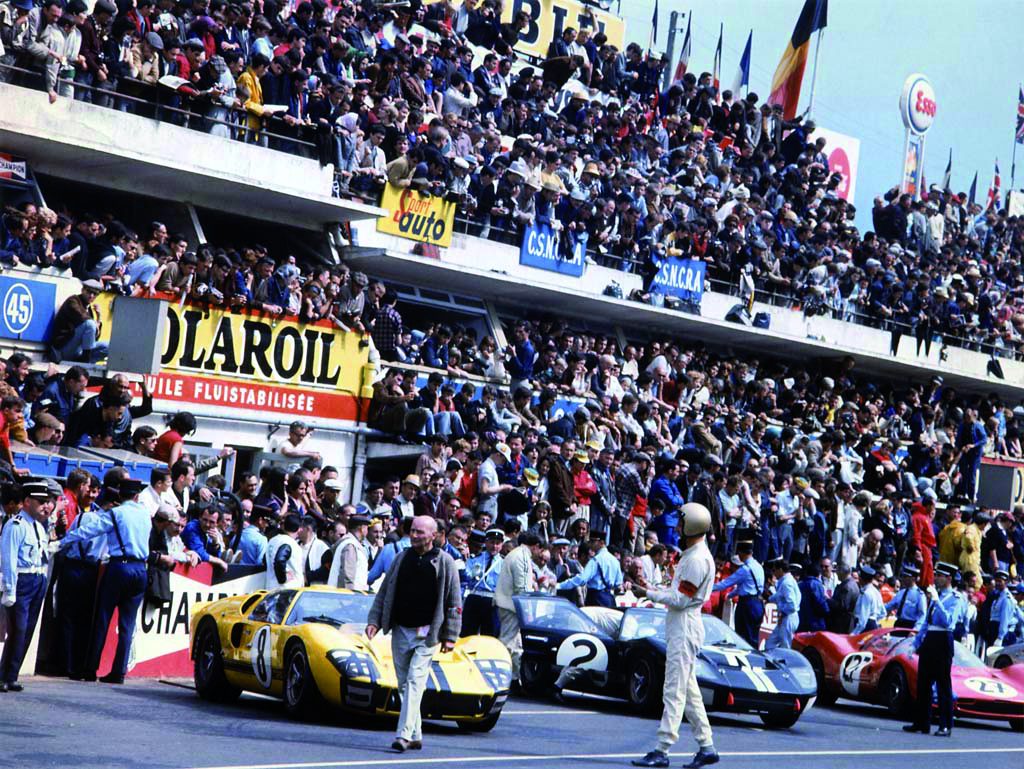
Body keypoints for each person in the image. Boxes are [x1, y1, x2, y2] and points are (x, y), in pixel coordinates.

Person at [631, 503, 718, 769]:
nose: (678, 527)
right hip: (684, 623)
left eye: (682, 523)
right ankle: (706, 745)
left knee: (674, 689)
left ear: (692, 526)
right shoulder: (693, 554)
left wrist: (648, 593)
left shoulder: (695, 559)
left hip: (685, 624)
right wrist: (654, 589)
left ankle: (662, 748)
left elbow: (680, 599)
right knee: (689, 690)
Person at [366, 515, 462, 752]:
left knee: (415, 680)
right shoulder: (401, 558)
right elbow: (385, 592)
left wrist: (450, 635)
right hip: (401, 629)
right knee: (403, 685)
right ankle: (416, 733)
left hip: (428, 633)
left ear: (433, 535)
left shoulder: (445, 562)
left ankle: (403, 735)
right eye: (413, 531)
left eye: (420, 532)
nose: (415, 535)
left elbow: (454, 603)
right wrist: (374, 620)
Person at [58, 477, 150, 683]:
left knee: (102, 619)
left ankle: (90, 668)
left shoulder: (116, 513)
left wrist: (64, 541)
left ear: (120, 495)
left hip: (120, 566)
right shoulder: (145, 514)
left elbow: (89, 530)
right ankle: (119, 672)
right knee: (127, 624)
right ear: (136, 496)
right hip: (140, 568)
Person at [0, 480, 59, 692]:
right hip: (22, 580)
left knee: (28, 630)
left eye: (48, 502)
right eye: (41, 502)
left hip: (37, 579)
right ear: (26, 502)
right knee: (18, 629)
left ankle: (11, 675)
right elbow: (8, 559)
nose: (47, 506)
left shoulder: (39, 526)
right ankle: (2, 675)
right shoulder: (15, 525)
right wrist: (9, 589)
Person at [904, 561, 965, 737]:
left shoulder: (956, 598)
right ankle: (922, 721)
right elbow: (926, 623)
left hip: (943, 639)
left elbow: (948, 622)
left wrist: (937, 602)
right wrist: (916, 643)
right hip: (930, 639)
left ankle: (946, 725)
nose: (936, 578)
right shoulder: (935, 595)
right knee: (923, 682)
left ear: (949, 578)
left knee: (943, 684)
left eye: (939, 575)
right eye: (936, 575)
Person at [494, 532, 542, 684]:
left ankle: (513, 679)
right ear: (536, 547)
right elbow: (521, 589)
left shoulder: (515, 554)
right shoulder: (522, 557)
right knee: (507, 644)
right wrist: (526, 613)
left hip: (507, 604)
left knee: (515, 646)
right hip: (512, 607)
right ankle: (499, 677)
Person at [711, 539, 764, 647]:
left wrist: (707, 588)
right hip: (758, 603)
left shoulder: (745, 569)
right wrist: (730, 595)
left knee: (742, 638)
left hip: (747, 605)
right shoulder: (758, 566)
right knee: (753, 637)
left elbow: (725, 584)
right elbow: (743, 587)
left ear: (741, 553)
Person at [555, 529, 623, 607]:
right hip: (609, 599)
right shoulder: (615, 561)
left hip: (595, 599)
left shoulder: (596, 560)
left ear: (601, 543)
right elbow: (618, 584)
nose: (590, 544)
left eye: (593, 541)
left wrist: (560, 586)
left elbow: (582, 579)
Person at [49, 279, 108, 363]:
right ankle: (85, 362)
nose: (91, 296)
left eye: (95, 294)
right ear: (82, 290)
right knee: (90, 324)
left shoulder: (89, 309)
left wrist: (99, 318)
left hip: (77, 350)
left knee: (109, 346)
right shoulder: (73, 301)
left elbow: (93, 339)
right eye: (89, 291)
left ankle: (81, 362)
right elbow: (82, 317)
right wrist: (93, 323)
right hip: (61, 349)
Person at [461, 527, 504, 637]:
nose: (494, 546)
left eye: (498, 543)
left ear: (502, 545)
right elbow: (468, 578)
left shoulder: (504, 563)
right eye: (492, 542)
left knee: (490, 634)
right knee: (467, 633)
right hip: (475, 597)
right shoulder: (475, 559)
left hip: (492, 600)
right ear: (486, 542)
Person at [764, 559, 801, 650]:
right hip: (786, 617)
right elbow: (779, 595)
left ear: (780, 569)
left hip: (788, 617)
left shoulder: (786, 583)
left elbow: (792, 605)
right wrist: (769, 599)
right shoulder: (788, 581)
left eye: (774, 570)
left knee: (785, 646)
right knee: (770, 644)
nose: (774, 573)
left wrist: (782, 612)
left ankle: (786, 663)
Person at [327, 513, 370, 590]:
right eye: (367, 528)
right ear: (361, 528)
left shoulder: (352, 544)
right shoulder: (350, 545)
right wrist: (349, 597)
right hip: (346, 598)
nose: (367, 531)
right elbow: (348, 577)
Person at [265, 514, 305, 589]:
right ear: (299, 529)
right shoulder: (289, 542)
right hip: (285, 590)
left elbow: (265, 560)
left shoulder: (273, 540)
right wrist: (283, 579)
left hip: (271, 586)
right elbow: (280, 560)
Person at [886, 565, 927, 629]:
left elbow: (922, 614)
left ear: (913, 578)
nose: (903, 579)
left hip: (910, 625)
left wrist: (916, 628)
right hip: (898, 623)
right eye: (903, 576)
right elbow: (889, 606)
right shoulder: (901, 592)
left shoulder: (919, 595)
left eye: (906, 577)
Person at [851, 564, 886, 633]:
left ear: (861, 579)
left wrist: (854, 634)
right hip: (872, 625)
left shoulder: (866, 593)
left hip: (865, 628)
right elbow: (883, 613)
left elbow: (863, 620)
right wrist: (874, 620)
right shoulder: (876, 591)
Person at [990, 569, 1020, 647]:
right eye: (996, 581)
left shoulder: (1006, 599)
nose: (997, 583)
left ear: (1006, 582)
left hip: (1000, 630)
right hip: (994, 628)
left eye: (1000, 581)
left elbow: (1004, 619)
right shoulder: (998, 595)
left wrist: (1000, 637)